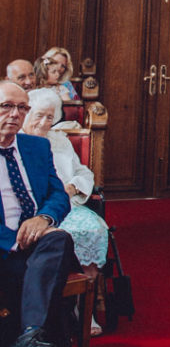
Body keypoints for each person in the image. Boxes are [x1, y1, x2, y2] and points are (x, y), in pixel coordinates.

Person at [0, 79, 103, 347]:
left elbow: (59, 195)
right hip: (3, 252)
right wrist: (15, 239)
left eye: (21, 108)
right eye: (6, 106)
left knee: (60, 239)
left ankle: (30, 334)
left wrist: (44, 218)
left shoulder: (35, 148)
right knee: (51, 304)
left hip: (39, 248)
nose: (15, 115)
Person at [25, 88, 109, 332]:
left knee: (93, 228)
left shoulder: (59, 139)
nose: (44, 123)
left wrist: (73, 186)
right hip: (33, 209)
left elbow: (84, 172)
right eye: (39, 115)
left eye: (50, 117)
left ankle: (84, 310)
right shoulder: (15, 139)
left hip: (67, 204)